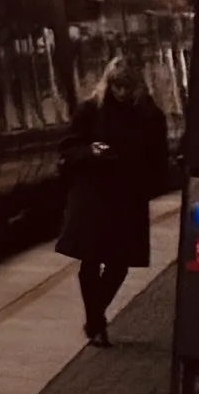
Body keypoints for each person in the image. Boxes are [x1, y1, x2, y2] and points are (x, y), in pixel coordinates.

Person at [54, 77, 172, 345]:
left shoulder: (150, 115)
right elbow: (68, 148)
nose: (122, 91)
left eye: (128, 86)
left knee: (119, 264)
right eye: (117, 85)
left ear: (139, 86)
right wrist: (90, 151)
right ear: (109, 83)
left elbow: (159, 156)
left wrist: (148, 181)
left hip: (128, 196)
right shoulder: (91, 110)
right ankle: (96, 322)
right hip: (92, 195)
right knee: (91, 260)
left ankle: (94, 318)